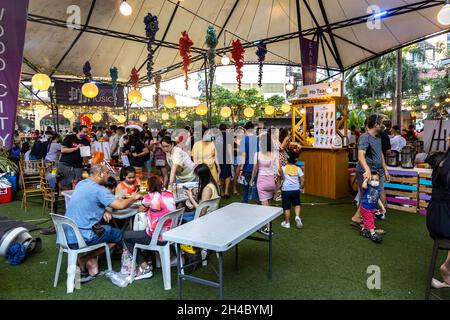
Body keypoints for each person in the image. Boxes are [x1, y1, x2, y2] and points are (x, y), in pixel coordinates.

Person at [64, 165, 142, 281]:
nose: (109, 176)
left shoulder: (81, 184)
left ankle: (88, 261)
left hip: (66, 236)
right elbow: (120, 205)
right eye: (107, 173)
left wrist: (104, 209)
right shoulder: (100, 190)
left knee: (107, 229)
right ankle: (87, 258)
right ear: (99, 174)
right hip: (82, 237)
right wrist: (134, 198)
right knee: (120, 235)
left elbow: (89, 200)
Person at [123, 175, 176, 280]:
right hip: (171, 234)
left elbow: (140, 209)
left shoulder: (149, 196)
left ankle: (145, 267)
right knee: (143, 232)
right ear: (161, 183)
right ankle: (149, 259)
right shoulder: (170, 194)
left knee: (126, 236)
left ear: (149, 186)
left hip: (157, 237)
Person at [351, 115, 390, 229]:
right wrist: (367, 169)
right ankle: (361, 219)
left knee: (374, 194)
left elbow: (381, 154)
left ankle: (361, 218)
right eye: (382, 122)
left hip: (378, 171)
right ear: (376, 124)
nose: (384, 125)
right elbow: (361, 155)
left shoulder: (378, 137)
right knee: (367, 195)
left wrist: (386, 169)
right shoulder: (364, 137)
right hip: (366, 171)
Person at [426, 141, 450, 287]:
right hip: (444, 223)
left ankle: (447, 269)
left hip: (434, 219)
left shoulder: (441, 161)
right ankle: (447, 268)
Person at [251, 132, 280, 236]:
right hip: (271, 182)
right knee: (268, 205)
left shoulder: (257, 154)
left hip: (261, 183)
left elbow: (254, 169)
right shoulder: (274, 154)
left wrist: (251, 180)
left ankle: (268, 229)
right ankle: (265, 225)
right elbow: (279, 169)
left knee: (265, 208)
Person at [58, 125, 90, 190]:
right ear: (78, 131)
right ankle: (67, 198)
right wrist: (76, 148)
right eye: (84, 132)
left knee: (78, 183)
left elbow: (86, 156)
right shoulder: (70, 137)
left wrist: (89, 154)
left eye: (87, 132)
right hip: (66, 164)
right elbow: (63, 150)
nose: (85, 134)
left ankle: (75, 198)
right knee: (66, 184)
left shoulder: (86, 141)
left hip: (77, 165)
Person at [359, 171, 386, 244]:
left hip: (372, 209)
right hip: (365, 208)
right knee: (370, 220)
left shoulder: (378, 188)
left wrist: (382, 206)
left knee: (369, 219)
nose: (375, 181)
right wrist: (366, 179)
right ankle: (373, 233)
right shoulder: (368, 187)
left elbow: (377, 199)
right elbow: (363, 186)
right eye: (372, 180)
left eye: (376, 180)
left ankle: (364, 229)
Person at [280, 153, 304, 229]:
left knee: (286, 207)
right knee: (297, 204)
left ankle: (287, 223)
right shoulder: (298, 169)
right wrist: (301, 187)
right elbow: (303, 179)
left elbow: (279, 176)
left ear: (287, 160)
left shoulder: (283, 168)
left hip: (286, 190)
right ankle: (297, 216)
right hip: (296, 189)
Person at [239, 121, 259, 203]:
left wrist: (241, 168)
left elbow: (244, 155)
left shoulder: (244, 140)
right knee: (257, 186)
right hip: (256, 166)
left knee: (245, 187)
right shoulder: (257, 139)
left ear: (245, 129)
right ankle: (259, 204)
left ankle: (244, 204)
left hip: (247, 167)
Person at [217, 123, 233, 198]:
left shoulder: (215, 136)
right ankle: (226, 191)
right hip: (226, 157)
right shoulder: (228, 136)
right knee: (228, 175)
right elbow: (229, 147)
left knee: (219, 174)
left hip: (217, 157)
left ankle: (221, 191)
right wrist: (231, 158)